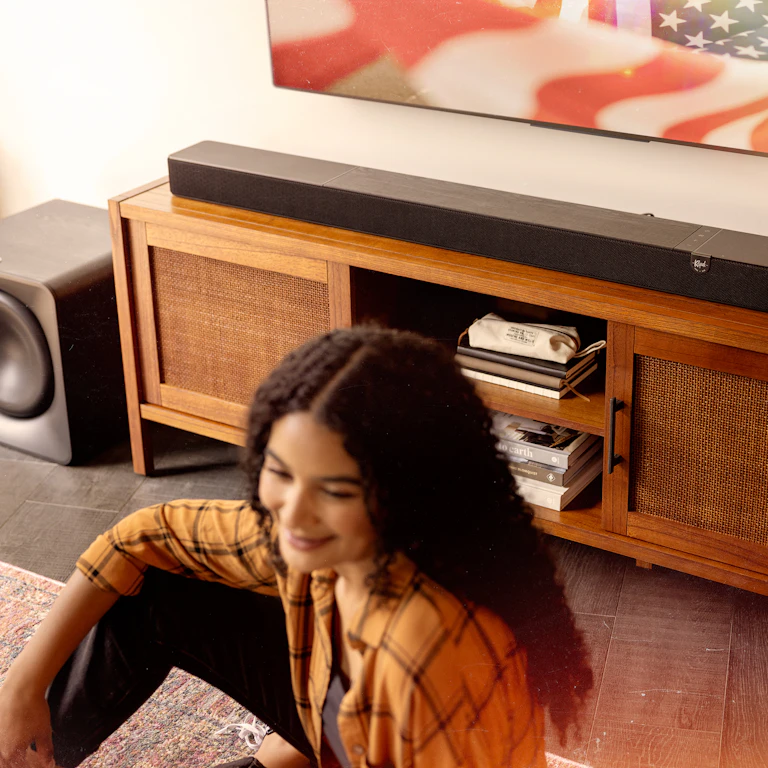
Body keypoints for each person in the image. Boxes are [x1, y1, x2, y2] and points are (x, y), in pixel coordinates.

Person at [0, 325, 591, 768]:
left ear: (399, 493)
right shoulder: (315, 545)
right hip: (335, 742)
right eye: (280, 472)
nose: (292, 512)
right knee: (155, 585)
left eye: (334, 490)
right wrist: (22, 687)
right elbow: (143, 536)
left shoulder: (426, 649)